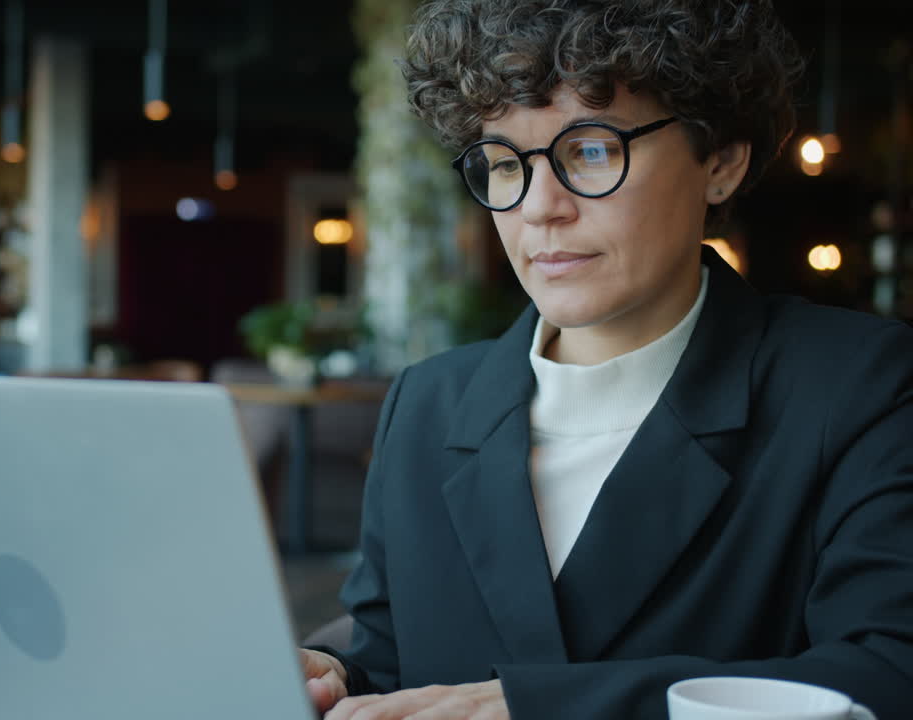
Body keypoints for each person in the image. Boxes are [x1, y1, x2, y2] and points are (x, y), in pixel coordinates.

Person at [298, 1, 913, 718]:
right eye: (504, 164)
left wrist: (541, 708)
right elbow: (393, 653)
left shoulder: (856, 387)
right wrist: (336, 674)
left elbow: (888, 673)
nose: (539, 208)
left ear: (720, 162)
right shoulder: (428, 403)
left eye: (590, 151)